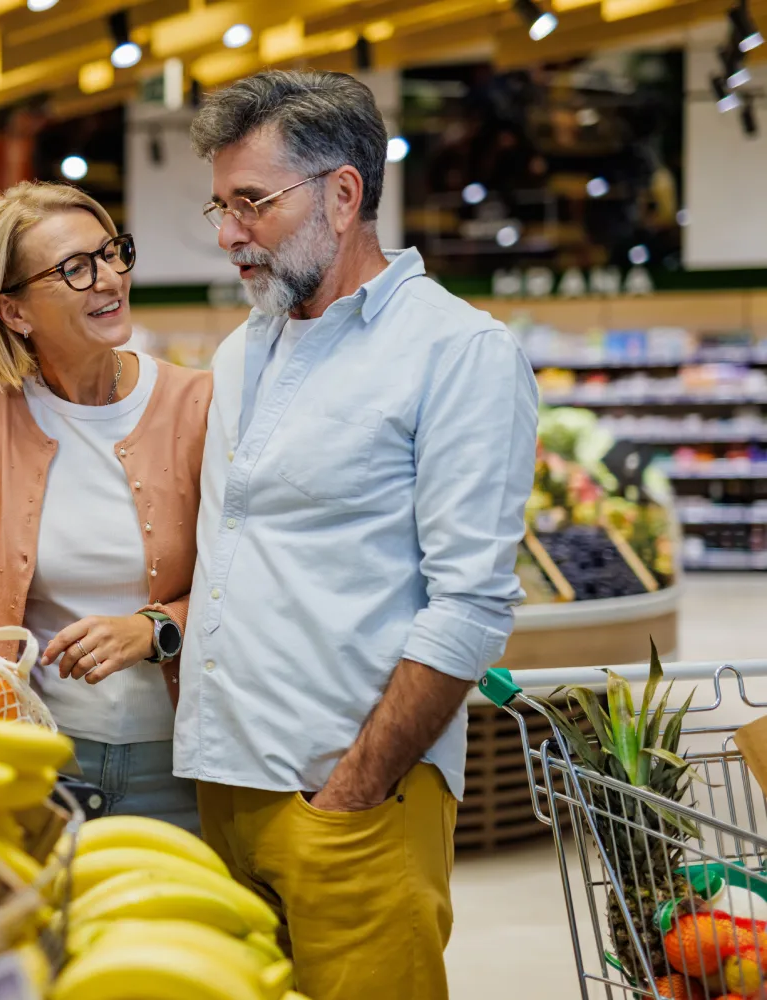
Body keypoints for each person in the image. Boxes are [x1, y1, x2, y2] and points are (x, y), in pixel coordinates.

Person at [176, 70, 539, 999]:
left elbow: (471, 605)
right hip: (219, 796)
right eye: (219, 206)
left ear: (343, 195)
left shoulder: (456, 352)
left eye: (251, 202)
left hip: (352, 805)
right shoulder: (243, 349)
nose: (227, 235)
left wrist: (354, 791)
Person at [0, 181, 211, 830]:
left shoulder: (196, 404)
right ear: (15, 313)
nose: (109, 279)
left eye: (111, 254)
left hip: (184, 763)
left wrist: (155, 628)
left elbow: (254, 580)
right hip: (41, 758)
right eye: (76, 269)